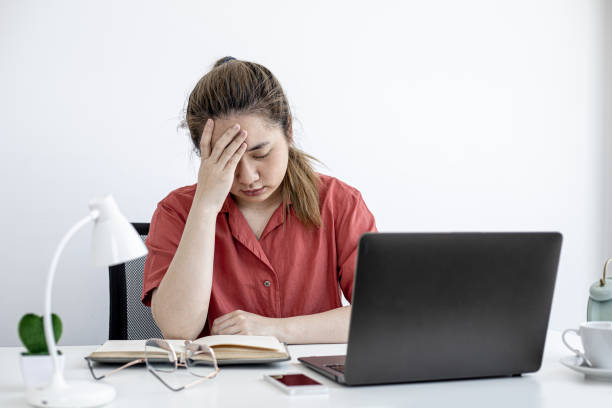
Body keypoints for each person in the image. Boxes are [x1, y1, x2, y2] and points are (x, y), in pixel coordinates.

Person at [141, 56, 377, 344]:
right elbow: (178, 330)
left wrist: (274, 330)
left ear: (288, 130)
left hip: (313, 383)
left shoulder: (339, 202)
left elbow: (379, 314)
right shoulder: (176, 212)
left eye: (261, 154)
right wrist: (204, 207)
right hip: (212, 383)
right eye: (228, 160)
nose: (248, 176)